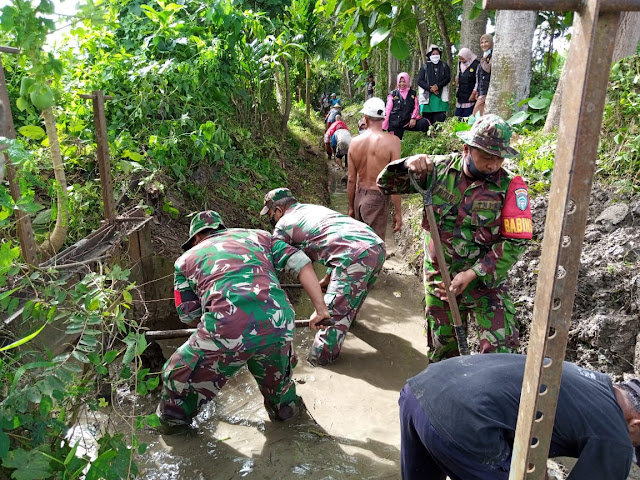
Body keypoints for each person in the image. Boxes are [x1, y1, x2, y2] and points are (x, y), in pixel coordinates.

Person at [156, 211, 330, 434]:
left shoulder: (185, 260)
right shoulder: (259, 237)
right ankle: (290, 421)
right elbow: (300, 262)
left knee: (176, 376)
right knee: (279, 387)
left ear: (196, 238)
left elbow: (188, 316)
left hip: (225, 327)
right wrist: (320, 309)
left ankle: (174, 429)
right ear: (221, 228)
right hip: (279, 321)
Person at [377, 114, 532, 362]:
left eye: (498, 157)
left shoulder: (511, 186)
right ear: (466, 149)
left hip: (485, 284)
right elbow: (385, 183)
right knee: (442, 355)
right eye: (486, 156)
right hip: (442, 282)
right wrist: (407, 165)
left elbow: (516, 241)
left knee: (501, 357)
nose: (493, 164)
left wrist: (473, 274)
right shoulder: (437, 171)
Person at [399, 353, 640, 480]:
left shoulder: (591, 381)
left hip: (419, 389)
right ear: (636, 424)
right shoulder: (616, 437)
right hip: (463, 421)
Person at [260, 188, 385, 367]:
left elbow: (273, 261)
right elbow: (339, 239)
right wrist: (328, 278)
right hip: (376, 247)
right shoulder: (312, 209)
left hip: (354, 258)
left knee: (330, 320)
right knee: (348, 306)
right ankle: (348, 324)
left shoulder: (283, 224)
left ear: (278, 210)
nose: (270, 219)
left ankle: (319, 365)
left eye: (270, 214)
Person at [348, 97, 403, 242]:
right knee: (374, 248)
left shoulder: (354, 142)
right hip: (377, 198)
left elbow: (351, 179)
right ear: (384, 117)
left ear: (366, 118)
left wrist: (351, 207)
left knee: (359, 244)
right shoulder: (393, 142)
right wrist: (398, 212)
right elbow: (394, 180)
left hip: (359, 197)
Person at [382, 72, 431, 140]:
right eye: (400, 81)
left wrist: (413, 117)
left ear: (407, 81)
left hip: (408, 121)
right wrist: (384, 126)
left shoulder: (412, 94)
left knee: (425, 123)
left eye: (404, 81)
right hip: (396, 123)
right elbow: (387, 110)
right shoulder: (392, 94)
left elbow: (416, 107)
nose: (402, 84)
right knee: (395, 144)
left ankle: (430, 142)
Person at [417, 45, 451, 127]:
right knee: (427, 122)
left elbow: (447, 78)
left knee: (439, 121)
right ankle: (428, 138)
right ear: (429, 55)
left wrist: (438, 86)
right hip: (427, 98)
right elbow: (419, 80)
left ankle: (437, 138)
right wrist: (430, 88)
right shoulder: (424, 67)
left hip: (440, 97)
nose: (435, 55)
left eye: (437, 53)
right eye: (433, 54)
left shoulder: (444, 66)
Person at [472, 33, 493, 117]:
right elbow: (479, 76)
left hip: (487, 90)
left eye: (486, 42)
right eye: (482, 42)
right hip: (481, 91)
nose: (484, 44)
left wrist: (483, 60)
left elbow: (488, 69)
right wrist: (477, 90)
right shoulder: (484, 56)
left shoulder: (492, 55)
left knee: (475, 116)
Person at [455, 47, 480, 119]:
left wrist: (473, 93)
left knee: (467, 117)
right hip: (461, 94)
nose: (461, 61)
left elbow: (478, 80)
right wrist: (457, 79)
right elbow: (458, 74)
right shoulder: (460, 64)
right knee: (458, 117)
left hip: (470, 94)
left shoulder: (476, 65)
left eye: (463, 59)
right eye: (460, 59)